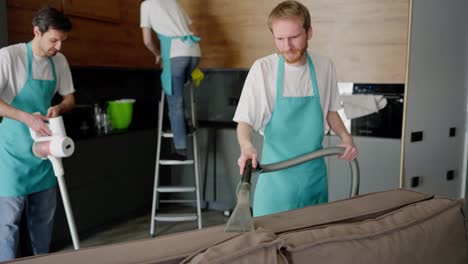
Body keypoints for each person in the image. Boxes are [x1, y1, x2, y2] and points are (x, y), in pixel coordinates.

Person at [233, 0, 358, 217]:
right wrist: (246, 146)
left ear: (309, 32)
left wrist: (346, 137)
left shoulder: (324, 66)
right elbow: (246, 120)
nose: (287, 46)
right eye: (279, 39)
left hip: (314, 180)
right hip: (276, 184)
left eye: (293, 37)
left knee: (314, 242)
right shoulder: (263, 69)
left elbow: (330, 110)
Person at [0, 7, 75, 261]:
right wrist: (26, 117)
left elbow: (69, 98)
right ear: (36, 32)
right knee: (7, 226)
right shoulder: (9, 57)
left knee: (43, 223)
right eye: (53, 40)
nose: (58, 47)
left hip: (44, 152)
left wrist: (59, 107)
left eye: (62, 41)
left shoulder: (59, 61)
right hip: (10, 155)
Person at [140, 0, 201, 160]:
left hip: (175, 54)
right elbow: (194, 30)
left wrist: (157, 54)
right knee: (180, 90)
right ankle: (186, 124)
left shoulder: (146, 4)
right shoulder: (174, 2)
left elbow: (147, 40)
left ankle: (180, 149)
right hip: (194, 53)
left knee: (175, 102)